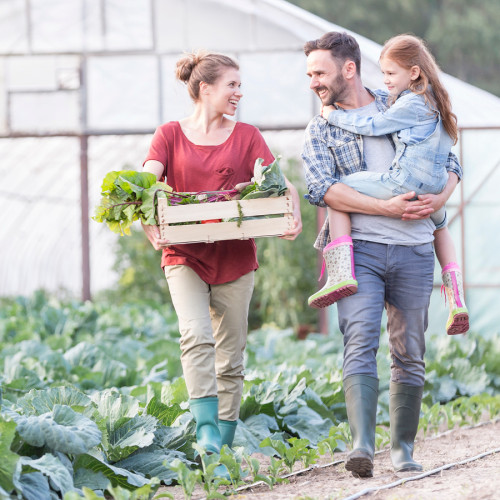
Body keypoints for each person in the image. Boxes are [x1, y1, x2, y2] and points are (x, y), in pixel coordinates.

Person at [302, 32, 463, 477]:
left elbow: (450, 160)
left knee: (410, 348)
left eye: (319, 73)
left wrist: (439, 197)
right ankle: (362, 447)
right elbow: (321, 188)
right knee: (359, 341)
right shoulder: (321, 127)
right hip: (361, 249)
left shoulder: (400, 101)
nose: (313, 82)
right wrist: (385, 207)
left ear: (347, 69)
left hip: (413, 248)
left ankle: (404, 450)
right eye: (309, 74)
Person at [141, 50, 302, 463]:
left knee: (231, 355)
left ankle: (223, 448)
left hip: (235, 258)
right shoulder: (169, 135)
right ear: (205, 88)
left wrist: (292, 207)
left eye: (239, 85)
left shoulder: (247, 136)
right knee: (195, 334)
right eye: (231, 85)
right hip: (183, 254)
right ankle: (207, 430)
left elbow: (279, 185)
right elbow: (144, 183)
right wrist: (144, 212)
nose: (238, 93)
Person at [308, 34, 468, 337]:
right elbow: (445, 154)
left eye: (390, 73)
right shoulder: (435, 101)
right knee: (442, 226)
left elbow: (373, 126)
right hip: (430, 187)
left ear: (414, 72)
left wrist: (334, 117)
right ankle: (456, 298)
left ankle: (341, 272)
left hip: (405, 186)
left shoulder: (398, 102)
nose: (386, 80)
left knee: (339, 186)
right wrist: (438, 198)